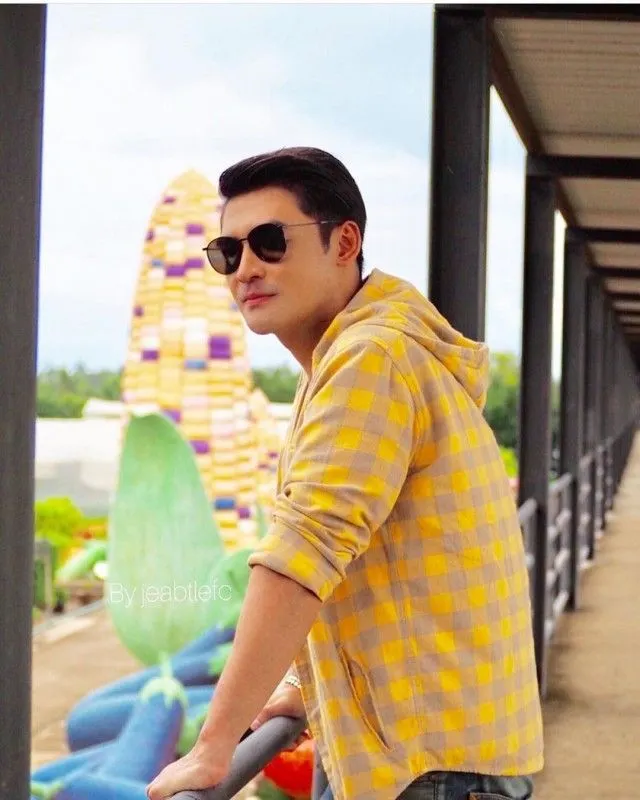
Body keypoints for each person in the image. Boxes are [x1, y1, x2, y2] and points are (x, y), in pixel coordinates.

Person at [146, 146, 543, 800]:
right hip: (431, 752)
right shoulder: (354, 358)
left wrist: (215, 747)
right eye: (227, 252)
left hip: (424, 768)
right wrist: (304, 685)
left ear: (345, 242)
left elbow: (302, 554)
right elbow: (386, 564)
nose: (246, 268)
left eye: (270, 241)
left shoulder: (370, 358)